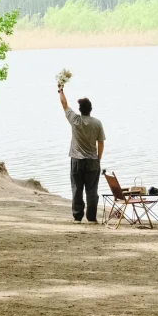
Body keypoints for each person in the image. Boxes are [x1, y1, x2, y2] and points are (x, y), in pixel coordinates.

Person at [58, 82, 105, 223]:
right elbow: (101, 143)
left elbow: (64, 104)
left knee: (77, 189)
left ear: (80, 110)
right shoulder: (97, 123)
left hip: (77, 160)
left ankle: (78, 217)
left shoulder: (75, 120)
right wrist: (98, 159)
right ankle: (91, 218)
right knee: (92, 190)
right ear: (91, 109)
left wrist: (60, 90)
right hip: (92, 161)